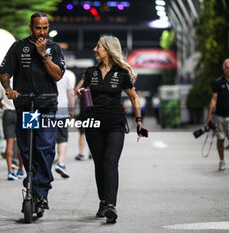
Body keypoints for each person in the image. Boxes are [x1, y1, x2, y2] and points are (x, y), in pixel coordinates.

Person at [0, 12, 65, 210]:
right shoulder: (18, 47)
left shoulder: (54, 48)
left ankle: (41, 192)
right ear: (31, 27)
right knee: (28, 148)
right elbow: (4, 73)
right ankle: (33, 185)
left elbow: (58, 75)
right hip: (27, 107)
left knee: (45, 148)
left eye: (45, 28)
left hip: (46, 107)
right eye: (38, 28)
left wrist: (44, 54)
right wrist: (8, 89)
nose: (42, 32)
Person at [77, 35, 145, 223]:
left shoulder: (122, 73)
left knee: (110, 161)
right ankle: (103, 200)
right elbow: (83, 92)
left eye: (98, 46)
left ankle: (111, 206)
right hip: (93, 124)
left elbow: (134, 98)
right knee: (99, 163)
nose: (94, 50)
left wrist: (138, 120)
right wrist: (81, 93)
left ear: (107, 49)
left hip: (115, 124)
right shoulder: (90, 72)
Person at [0, 80, 24, 180]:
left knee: (9, 143)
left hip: (8, 113)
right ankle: (20, 170)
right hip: (20, 112)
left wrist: (3, 107)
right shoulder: (22, 79)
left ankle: (10, 171)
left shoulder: (3, 82)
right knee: (21, 143)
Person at [206, 58, 229, 171]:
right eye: (227, 67)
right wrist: (209, 115)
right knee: (220, 139)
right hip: (220, 115)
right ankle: (222, 161)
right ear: (223, 69)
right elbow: (213, 99)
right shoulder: (218, 82)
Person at [54, 70, 75, 178]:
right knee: (62, 138)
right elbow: (71, 94)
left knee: (47, 137)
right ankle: (60, 163)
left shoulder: (44, 70)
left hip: (46, 110)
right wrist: (71, 110)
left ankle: (46, 163)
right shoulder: (66, 74)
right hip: (62, 111)